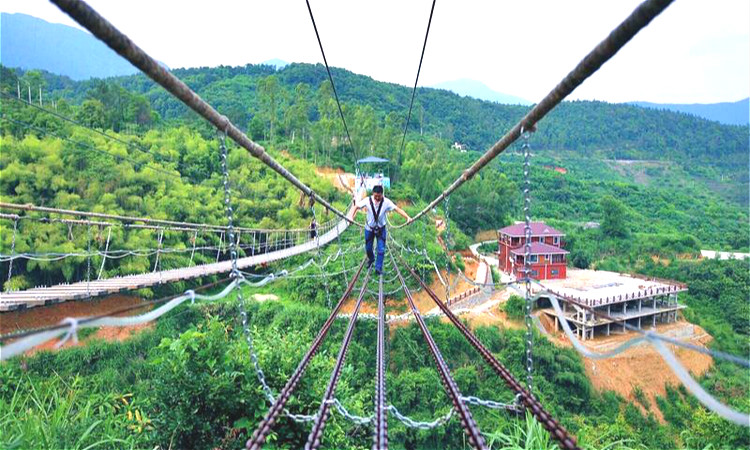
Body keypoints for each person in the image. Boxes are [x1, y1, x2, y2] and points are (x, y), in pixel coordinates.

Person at [351, 185, 411, 275]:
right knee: (368, 248)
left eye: (379, 196)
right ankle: (371, 259)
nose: (377, 198)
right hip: (369, 228)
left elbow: (397, 209)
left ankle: (378, 268)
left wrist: (407, 217)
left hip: (381, 229)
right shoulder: (367, 200)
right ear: (373, 194)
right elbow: (356, 206)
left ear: (382, 194)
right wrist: (351, 217)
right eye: (376, 196)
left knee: (381, 249)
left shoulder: (386, 202)